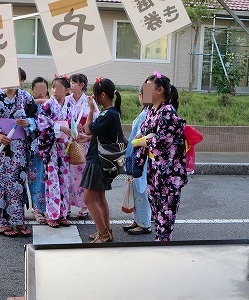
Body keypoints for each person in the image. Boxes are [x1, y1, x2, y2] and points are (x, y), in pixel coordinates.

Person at [132, 71, 188, 241]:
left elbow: (161, 142)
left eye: (149, 87)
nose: (145, 90)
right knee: (157, 212)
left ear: (160, 90)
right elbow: (146, 135)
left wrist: (140, 142)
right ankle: (160, 244)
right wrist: (140, 140)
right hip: (155, 168)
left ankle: (163, 247)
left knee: (166, 213)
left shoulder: (167, 112)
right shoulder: (151, 111)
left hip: (168, 171)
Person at [0, 67, 34, 237]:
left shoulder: (26, 98)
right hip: (2, 148)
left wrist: (29, 123)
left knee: (18, 182)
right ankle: (3, 223)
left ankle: (19, 221)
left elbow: (38, 118)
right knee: (3, 183)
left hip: (19, 148)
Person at [80, 77, 123, 243]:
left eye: (96, 94)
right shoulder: (112, 113)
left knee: (88, 199)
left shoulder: (107, 114)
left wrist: (91, 110)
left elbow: (88, 129)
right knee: (99, 198)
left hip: (97, 160)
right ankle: (106, 231)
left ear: (103, 95)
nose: (94, 97)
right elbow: (99, 135)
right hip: (102, 159)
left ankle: (103, 234)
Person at [38, 75, 75, 228]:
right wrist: (60, 128)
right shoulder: (47, 105)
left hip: (64, 146)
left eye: (58, 87)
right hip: (52, 147)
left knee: (64, 181)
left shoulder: (69, 104)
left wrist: (73, 131)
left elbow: (72, 122)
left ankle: (63, 214)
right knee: (52, 181)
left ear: (67, 90)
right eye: (53, 87)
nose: (54, 90)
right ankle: (52, 215)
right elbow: (43, 125)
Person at [67, 73, 99, 220]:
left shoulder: (89, 101)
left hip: (83, 141)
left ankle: (84, 206)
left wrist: (86, 127)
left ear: (81, 85)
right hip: (67, 140)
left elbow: (96, 122)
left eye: (73, 82)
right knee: (66, 174)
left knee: (83, 173)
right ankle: (65, 205)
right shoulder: (66, 100)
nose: (71, 85)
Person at [123, 85, 152, 235]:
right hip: (140, 155)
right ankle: (138, 220)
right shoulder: (148, 113)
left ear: (141, 96)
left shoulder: (144, 115)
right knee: (138, 190)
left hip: (140, 157)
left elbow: (137, 137)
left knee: (141, 191)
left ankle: (144, 223)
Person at [26, 77, 49, 224]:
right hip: (32, 146)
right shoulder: (28, 104)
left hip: (47, 147)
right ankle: (37, 208)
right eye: (37, 90)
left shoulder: (51, 104)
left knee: (46, 179)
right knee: (34, 178)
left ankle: (46, 208)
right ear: (32, 90)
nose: (40, 93)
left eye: (43, 90)